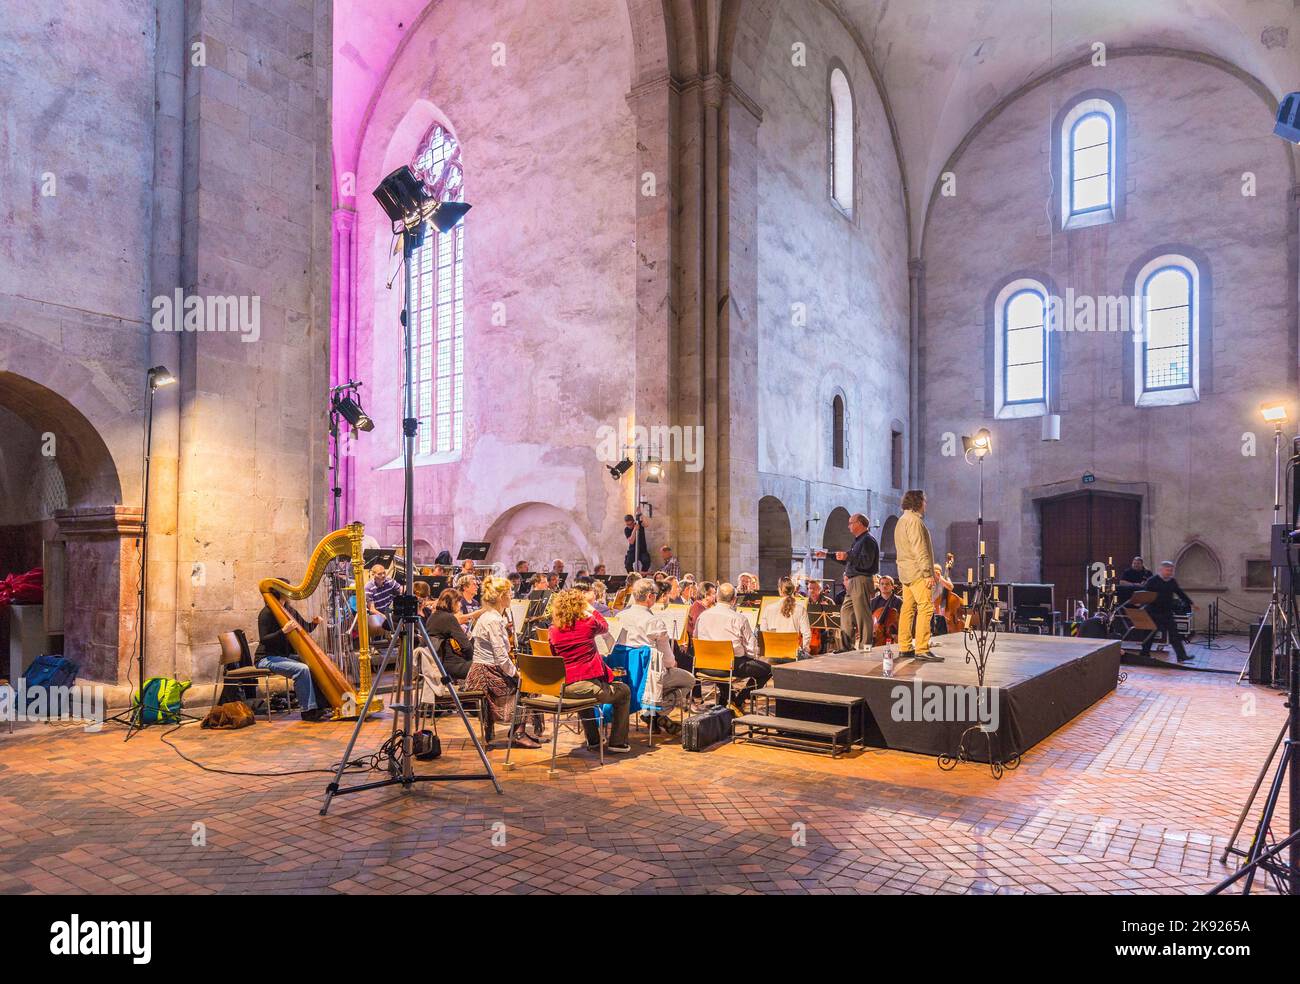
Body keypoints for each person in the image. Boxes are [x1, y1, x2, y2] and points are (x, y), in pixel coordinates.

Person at [547, 588, 633, 753]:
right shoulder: (588, 623)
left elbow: (555, 656)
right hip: (587, 686)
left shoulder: (553, 630)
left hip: (565, 687)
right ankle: (618, 742)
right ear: (580, 605)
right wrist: (592, 608)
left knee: (582, 692)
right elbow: (605, 626)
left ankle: (594, 740)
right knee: (624, 691)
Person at [465, 577, 539, 747]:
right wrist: (517, 673)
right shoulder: (493, 620)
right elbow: (501, 658)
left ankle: (517, 731)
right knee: (528, 686)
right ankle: (518, 733)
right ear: (500, 597)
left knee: (524, 682)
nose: (511, 596)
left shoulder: (490, 616)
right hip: (486, 673)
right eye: (509, 593)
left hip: (486, 669)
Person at [620, 578, 696, 732]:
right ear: (649, 597)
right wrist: (671, 664)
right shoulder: (654, 622)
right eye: (655, 594)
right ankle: (657, 713)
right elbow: (668, 661)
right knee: (689, 680)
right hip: (649, 678)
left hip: (625, 675)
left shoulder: (620, 616)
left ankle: (652, 713)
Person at [694, 582, 772, 711]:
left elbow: (696, 637)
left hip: (705, 665)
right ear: (734, 600)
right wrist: (751, 657)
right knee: (768, 670)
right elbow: (752, 649)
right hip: (731, 665)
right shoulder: (739, 618)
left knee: (721, 662)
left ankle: (727, 699)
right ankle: (738, 700)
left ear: (716, 597)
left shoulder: (702, 616)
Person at [253, 596, 327, 721]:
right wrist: (283, 631)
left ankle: (321, 704)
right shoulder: (266, 613)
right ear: (278, 592)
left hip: (283, 656)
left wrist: (314, 623)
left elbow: (304, 627)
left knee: (315, 663)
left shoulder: (288, 609)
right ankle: (307, 710)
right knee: (302, 669)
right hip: (266, 658)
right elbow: (264, 639)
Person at [895, 490, 939, 661]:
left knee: (907, 609)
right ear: (918, 502)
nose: (926, 504)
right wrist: (928, 574)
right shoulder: (914, 521)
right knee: (926, 608)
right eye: (924, 501)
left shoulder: (901, 521)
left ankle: (905, 647)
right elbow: (920, 549)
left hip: (906, 572)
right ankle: (922, 648)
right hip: (918, 572)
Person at [834, 513, 878, 650]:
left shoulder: (868, 540)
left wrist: (848, 556)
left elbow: (866, 563)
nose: (848, 526)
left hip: (861, 579)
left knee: (862, 615)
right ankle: (846, 647)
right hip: (852, 582)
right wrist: (829, 555)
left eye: (851, 523)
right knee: (846, 612)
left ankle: (866, 646)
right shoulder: (858, 541)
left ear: (859, 523)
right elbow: (850, 560)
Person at [1139, 561, 1198, 663]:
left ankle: (1181, 656)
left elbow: (1180, 593)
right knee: (1149, 634)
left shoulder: (1172, 581)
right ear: (1161, 570)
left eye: (1171, 570)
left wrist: (1191, 603)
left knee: (1174, 634)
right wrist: (1140, 604)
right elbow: (1144, 594)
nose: (1169, 572)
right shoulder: (1152, 581)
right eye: (1167, 570)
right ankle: (1144, 654)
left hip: (1167, 612)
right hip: (1153, 612)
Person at [423, 588, 474, 683]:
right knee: (487, 666)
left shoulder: (433, 617)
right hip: (451, 665)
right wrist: (474, 659)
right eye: (459, 602)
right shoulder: (449, 618)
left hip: (439, 664)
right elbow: (466, 647)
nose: (461, 604)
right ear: (452, 602)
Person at [759, 576, 811, 653]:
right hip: (792, 654)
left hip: (773, 653)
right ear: (793, 590)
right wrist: (804, 649)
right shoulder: (800, 609)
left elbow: (763, 632)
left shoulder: (768, 608)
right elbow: (806, 634)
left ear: (780, 590)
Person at [364, 563, 400, 630]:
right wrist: (385, 617)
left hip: (388, 613)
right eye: (379, 574)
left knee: (405, 619)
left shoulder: (389, 581)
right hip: (377, 616)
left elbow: (401, 590)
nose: (383, 575)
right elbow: (372, 610)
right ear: (373, 575)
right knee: (399, 627)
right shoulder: (368, 588)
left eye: (384, 573)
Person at [869, 575, 902, 645]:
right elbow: (869, 619)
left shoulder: (899, 601)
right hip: (877, 633)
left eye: (887, 584)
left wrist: (896, 633)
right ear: (879, 586)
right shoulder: (873, 602)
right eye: (882, 584)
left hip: (895, 634)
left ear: (892, 586)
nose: (884, 586)